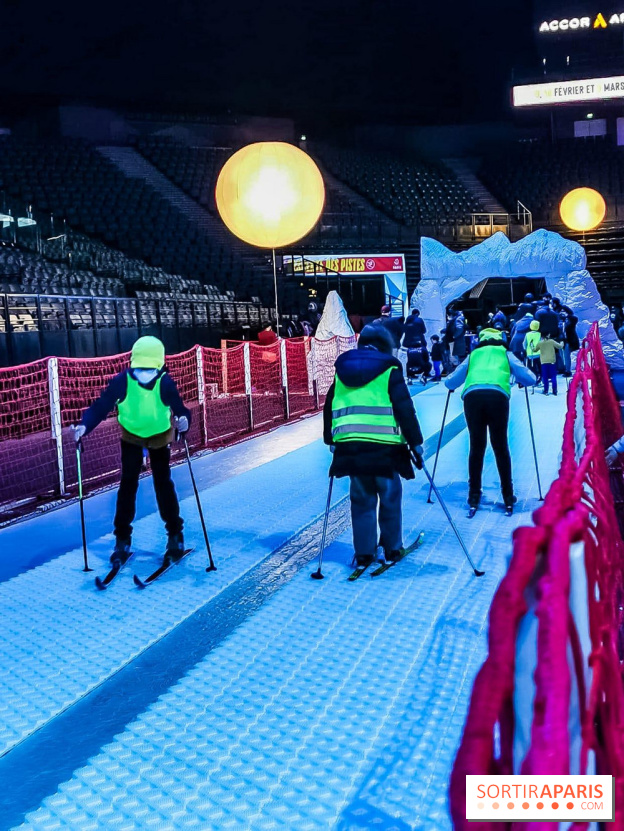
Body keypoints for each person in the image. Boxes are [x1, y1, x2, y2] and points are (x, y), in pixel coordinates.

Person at [71, 336, 191, 564]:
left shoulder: (164, 382)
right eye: (140, 368)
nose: (144, 373)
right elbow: (102, 405)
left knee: (162, 483)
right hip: (132, 436)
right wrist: (84, 426)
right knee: (128, 485)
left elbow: (180, 409)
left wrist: (184, 421)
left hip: (158, 434)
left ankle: (175, 535)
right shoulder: (123, 381)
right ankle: (122, 539)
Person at [323, 324, 424, 567]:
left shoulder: (341, 371)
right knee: (389, 498)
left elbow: (329, 407)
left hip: (351, 448)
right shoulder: (390, 370)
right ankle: (391, 549)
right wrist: (416, 444)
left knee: (361, 500)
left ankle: (364, 554)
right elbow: (404, 409)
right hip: (386, 450)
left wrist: (331, 440)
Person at [444, 327, 537, 514]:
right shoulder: (505, 353)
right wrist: (522, 381)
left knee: (476, 447)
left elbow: (451, 382)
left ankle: (473, 496)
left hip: (472, 398)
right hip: (498, 397)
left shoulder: (474, 355)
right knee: (500, 447)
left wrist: (449, 381)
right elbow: (530, 378)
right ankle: (508, 497)